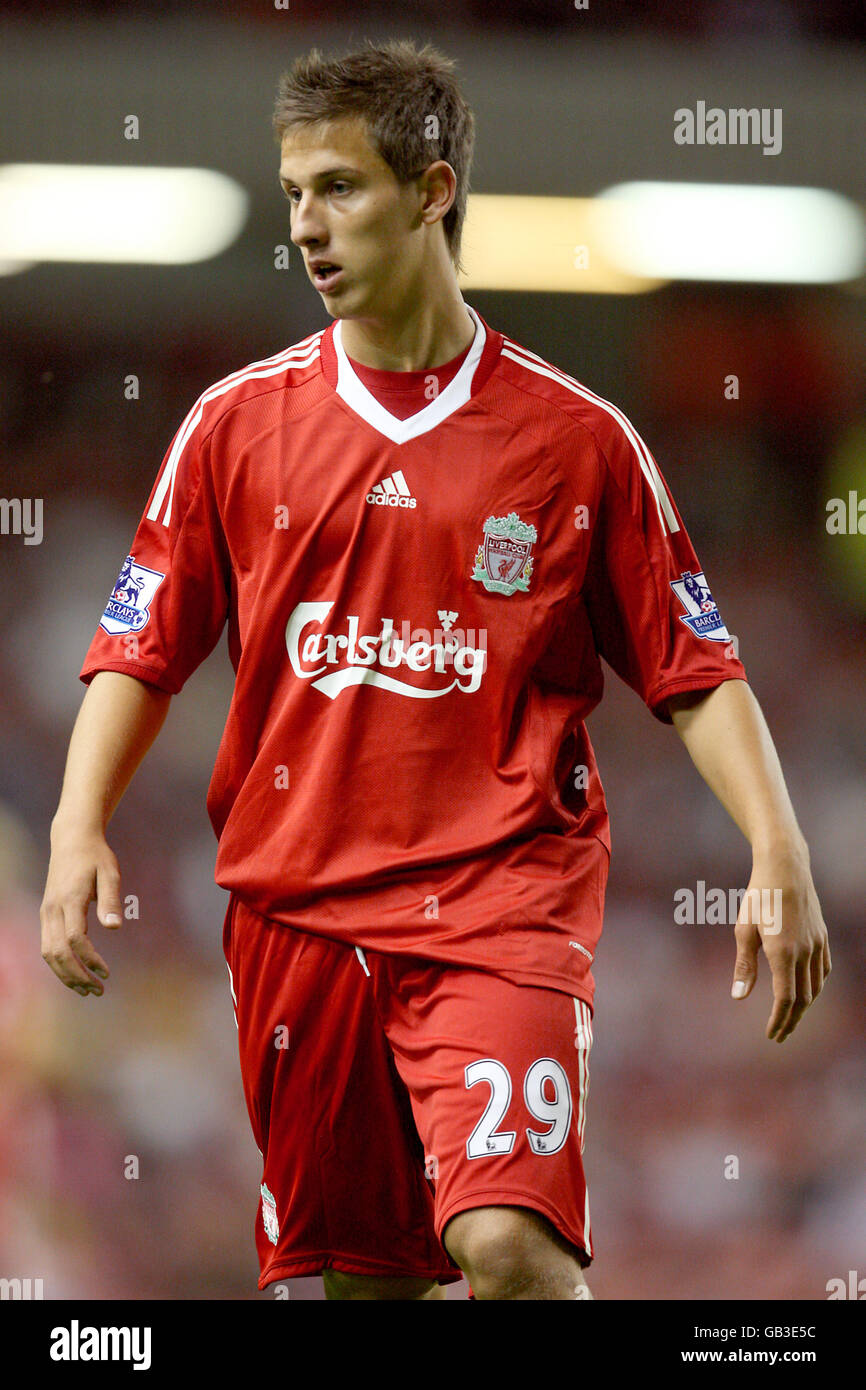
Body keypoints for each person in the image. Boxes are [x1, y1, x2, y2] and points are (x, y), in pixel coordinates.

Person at [39, 39, 830, 1301]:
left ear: (432, 190)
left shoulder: (577, 442)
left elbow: (692, 667)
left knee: (510, 1249)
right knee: (364, 1286)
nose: (307, 224)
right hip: (296, 919)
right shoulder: (232, 427)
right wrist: (78, 825)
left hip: (498, 910)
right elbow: (141, 648)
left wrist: (775, 848)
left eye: (340, 188)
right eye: (294, 192)